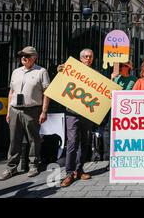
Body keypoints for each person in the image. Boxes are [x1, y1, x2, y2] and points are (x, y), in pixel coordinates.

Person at [0, 46, 50, 180]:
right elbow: (11, 92)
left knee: (34, 139)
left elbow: (47, 93)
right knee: (14, 140)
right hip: (15, 109)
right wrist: (8, 111)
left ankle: (33, 165)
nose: (23, 58)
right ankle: (11, 168)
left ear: (34, 57)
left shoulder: (41, 71)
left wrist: (44, 111)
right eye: (22, 55)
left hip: (32, 110)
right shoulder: (16, 72)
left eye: (27, 56)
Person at [59, 49, 95, 187]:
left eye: (90, 57)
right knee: (72, 143)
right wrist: (60, 70)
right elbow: (60, 81)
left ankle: (79, 170)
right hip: (72, 113)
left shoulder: (95, 74)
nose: (88, 59)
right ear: (80, 59)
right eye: (86, 57)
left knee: (84, 143)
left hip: (87, 114)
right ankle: (69, 173)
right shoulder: (72, 71)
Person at [101, 61, 138, 169]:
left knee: (126, 136)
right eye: (120, 66)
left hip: (128, 113)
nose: (121, 68)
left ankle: (126, 159)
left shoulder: (134, 80)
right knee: (113, 136)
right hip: (115, 111)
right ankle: (112, 160)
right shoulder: (116, 78)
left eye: (123, 66)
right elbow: (107, 92)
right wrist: (111, 79)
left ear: (128, 68)